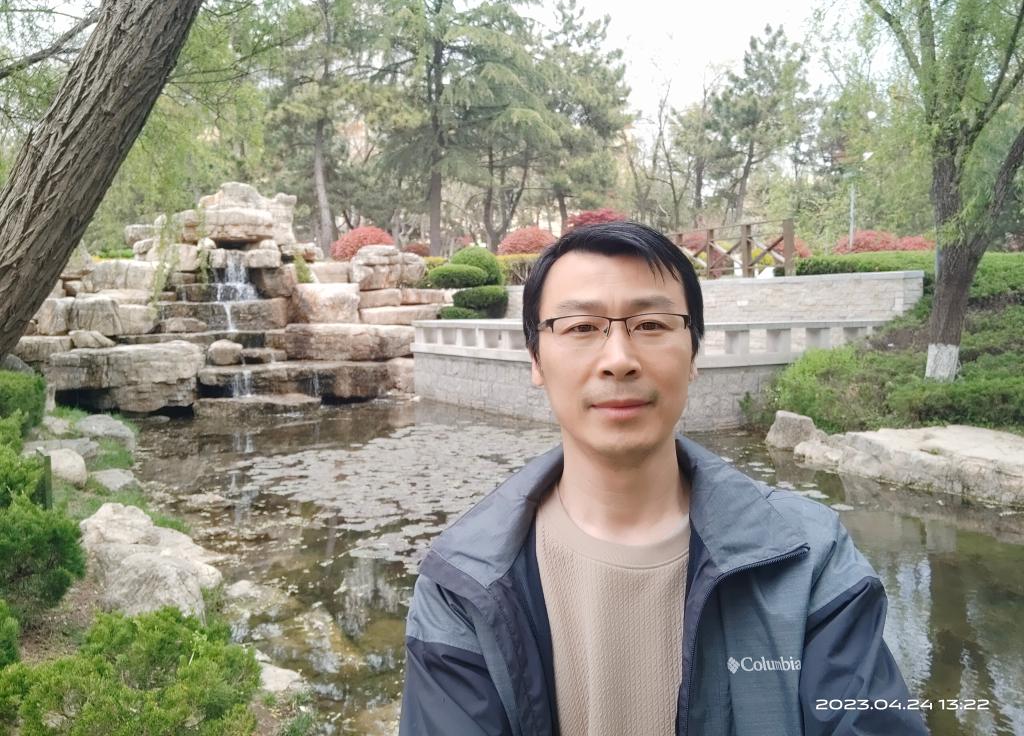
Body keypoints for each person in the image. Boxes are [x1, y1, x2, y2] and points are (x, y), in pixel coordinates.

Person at [398, 221, 928, 735]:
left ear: (693, 351)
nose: (619, 360)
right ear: (536, 359)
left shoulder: (808, 560)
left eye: (651, 325)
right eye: (581, 327)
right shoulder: (463, 583)